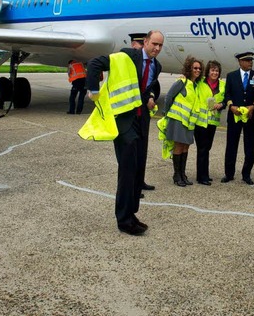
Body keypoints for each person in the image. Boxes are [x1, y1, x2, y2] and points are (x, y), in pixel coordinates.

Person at [85, 31, 163, 236]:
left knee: (138, 170)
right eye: (154, 44)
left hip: (142, 121)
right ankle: (123, 220)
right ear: (145, 42)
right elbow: (94, 63)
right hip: (124, 122)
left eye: (160, 45)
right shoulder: (127, 56)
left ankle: (132, 212)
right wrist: (93, 89)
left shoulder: (157, 66)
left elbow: (148, 87)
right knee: (127, 171)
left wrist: (151, 96)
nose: (157, 48)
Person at [222, 51, 254, 184]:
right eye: (247, 60)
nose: (250, 62)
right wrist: (231, 106)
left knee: (250, 147)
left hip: (251, 117)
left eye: (251, 60)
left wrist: (253, 106)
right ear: (240, 62)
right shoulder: (231, 76)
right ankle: (229, 174)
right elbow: (227, 94)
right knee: (231, 146)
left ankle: (246, 174)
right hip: (235, 116)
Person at [163, 56, 203, 187]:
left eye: (199, 68)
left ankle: (183, 173)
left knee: (186, 146)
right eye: (195, 68)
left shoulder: (196, 85)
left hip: (188, 121)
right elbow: (169, 97)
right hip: (178, 120)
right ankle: (176, 174)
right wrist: (166, 113)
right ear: (189, 69)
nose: (197, 70)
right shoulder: (182, 82)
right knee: (179, 146)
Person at [193, 60, 226, 185]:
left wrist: (221, 105)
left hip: (212, 122)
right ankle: (202, 177)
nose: (215, 73)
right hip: (200, 122)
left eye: (217, 71)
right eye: (212, 70)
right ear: (208, 71)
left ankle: (203, 174)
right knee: (202, 149)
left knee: (207, 148)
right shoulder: (200, 82)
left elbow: (226, 99)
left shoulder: (222, 85)